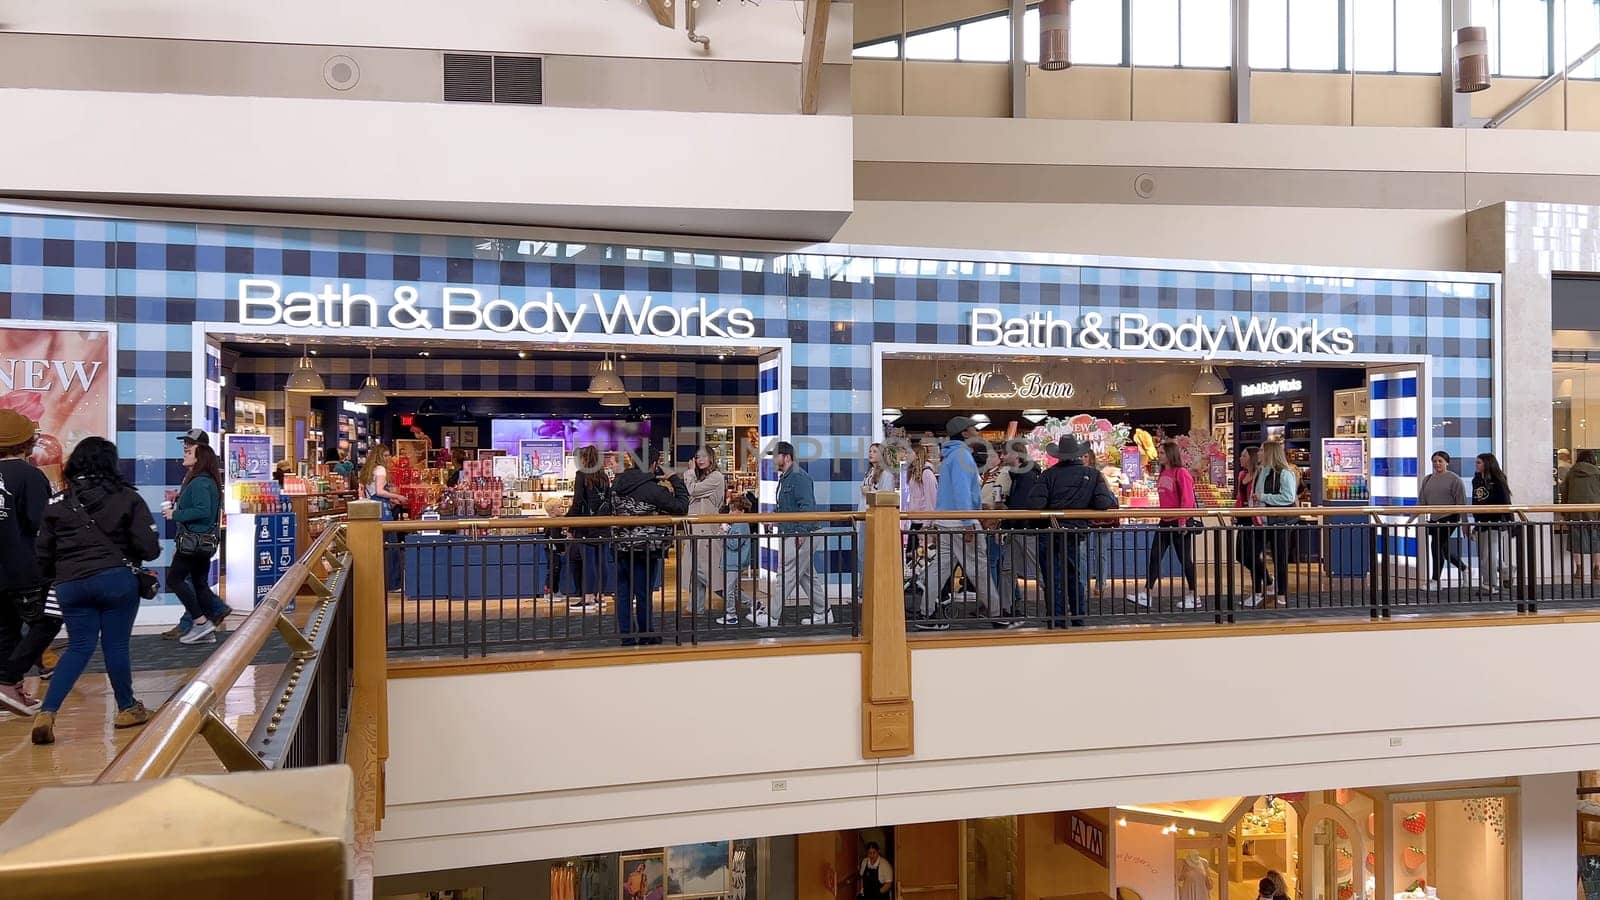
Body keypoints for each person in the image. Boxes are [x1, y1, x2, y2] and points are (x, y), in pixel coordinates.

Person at [31, 437, 161, 745]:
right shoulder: (128, 498)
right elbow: (149, 548)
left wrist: (60, 577)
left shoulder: (57, 504)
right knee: (115, 646)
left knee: (78, 647)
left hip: (70, 585)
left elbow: (43, 555)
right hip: (116, 581)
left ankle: (47, 713)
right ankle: (127, 708)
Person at [915, 417, 1014, 630]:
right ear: (965, 433)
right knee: (979, 568)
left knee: (939, 568)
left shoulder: (950, 456)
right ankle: (997, 614)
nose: (977, 431)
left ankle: (926, 613)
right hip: (961, 522)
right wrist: (970, 521)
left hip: (946, 522)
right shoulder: (963, 457)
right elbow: (962, 491)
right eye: (973, 428)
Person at [0, 410, 59, 716]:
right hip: (25, 569)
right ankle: (9, 681)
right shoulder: (30, 476)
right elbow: (42, 525)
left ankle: (9, 692)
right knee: (47, 621)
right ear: (25, 442)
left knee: (6, 631)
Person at [611, 450, 689, 645]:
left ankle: (627, 636)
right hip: (646, 547)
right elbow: (681, 506)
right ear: (655, 464)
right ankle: (646, 634)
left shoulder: (617, 483)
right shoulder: (653, 490)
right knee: (643, 592)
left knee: (623, 593)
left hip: (621, 545)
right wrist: (674, 479)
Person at [1042, 435, 1119, 627]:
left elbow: (1036, 502)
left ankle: (1056, 619)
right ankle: (1078, 616)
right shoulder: (1092, 475)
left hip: (1052, 530)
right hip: (1076, 530)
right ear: (1078, 454)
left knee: (1054, 577)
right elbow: (1103, 502)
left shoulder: (1048, 475)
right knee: (1075, 575)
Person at [168, 430, 232, 645]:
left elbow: (202, 510)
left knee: (175, 580)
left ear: (201, 451)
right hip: (201, 542)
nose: (185, 447)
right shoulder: (201, 480)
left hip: (193, 542)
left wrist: (175, 514)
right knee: (199, 583)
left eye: (190, 445)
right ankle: (208, 625)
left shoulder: (201, 482)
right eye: (185, 443)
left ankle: (201, 622)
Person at [1130, 440, 1200, 610]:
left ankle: (1194, 594)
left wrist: (1183, 521)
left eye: (1161, 453)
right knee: (1155, 556)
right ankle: (1147, 593)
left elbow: (1187, 499)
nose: (1159, 455)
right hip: (1165, 521)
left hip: (1179, 521)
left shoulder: (1181, 473)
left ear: (1170, 454)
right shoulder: (1163, 473)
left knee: (1185, 559)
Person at [772, 441, 831, 626]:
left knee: (786, 573)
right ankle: (823, 611)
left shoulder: (798, 477)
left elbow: (807, 506)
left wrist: (801, 531)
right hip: (795, 531)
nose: (774, 459)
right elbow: (790, 506)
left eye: (776, 455)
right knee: (806, 576)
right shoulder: (787, 477)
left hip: (801, 533)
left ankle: (771, 615)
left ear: (786, 457)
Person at [997, 440, 1045, 614]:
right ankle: (1005, 607)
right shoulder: (1025, 475)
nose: (1002, 457)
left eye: (1005, 453)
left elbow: (1020, 504)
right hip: (1020, 528)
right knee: (1010, 568)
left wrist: (1005, 511)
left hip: (1022, 528)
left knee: (1021, 567)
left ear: (1016, 456)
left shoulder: (1024, 477)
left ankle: (1006, 607)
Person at [564, 445, 612, 611]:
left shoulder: (581, 475)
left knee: (589, 562)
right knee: (602, 561)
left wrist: (569, 524)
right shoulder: (604, 477)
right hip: (603, 525)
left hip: (586, 526)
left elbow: (577, 503)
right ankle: (601, 596)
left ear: (584, 459)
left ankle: (589, 597)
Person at [683, 446, 728, 615]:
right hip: (697, 531)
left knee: (709, 574)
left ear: (711, 458)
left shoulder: (716, 477)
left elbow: (693, 490)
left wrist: (689, 473)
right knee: (696, 570)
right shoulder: (701, 478)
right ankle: (695, 608)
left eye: (703, 456)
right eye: (697, 457)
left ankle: (747, 601)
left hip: (707, 531)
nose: (699, 460)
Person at [1254, 440, 1298, 607]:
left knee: (1280, 558)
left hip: (1279, 521)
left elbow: (1288, 497)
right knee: (1251, 553)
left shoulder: (1285, 474)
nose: (1258, 453)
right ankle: (1269, 584)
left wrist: (1264, 497)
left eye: (1261, 450)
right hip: (1263, 520)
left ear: (1269, 452)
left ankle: (1282, 593)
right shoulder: (1262, 471)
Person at [1418, 449, 1470, 589]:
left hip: (1449, 517)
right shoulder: (1427, 479)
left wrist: (1465, 523)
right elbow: (1421, 502)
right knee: (1444, 549)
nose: (1437, 463)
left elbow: (1461, 502)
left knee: (1435, 546)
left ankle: (1435, 581)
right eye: (1435, 461)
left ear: (1447, 462)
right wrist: (1411, 519)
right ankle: (1464, 569)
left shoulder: (1454, 479)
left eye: (1440, 461)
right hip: (1434, 519)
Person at [1471, 451, 1514, 594]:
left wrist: (1510, 522)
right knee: (1487, 553)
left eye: (1479, 462)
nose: (1476, 465)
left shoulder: (1498, 479)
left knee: (1487, 555)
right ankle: (1506, 570)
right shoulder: (1476, 480)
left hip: (1495, 521)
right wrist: (1475, 523)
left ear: (1487, 464)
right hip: (1482, 521)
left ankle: (1489, 584)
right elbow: (1475, 502)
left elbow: (1506, 502)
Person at [1233, 446, 1269, 605]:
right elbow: (1240, 497)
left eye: (1244, 456)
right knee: (1240, 555)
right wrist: (1234, 512)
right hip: (1243, 517)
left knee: (1252, 555)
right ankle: (1268, 580)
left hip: (1256, 519)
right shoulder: (1242, 475)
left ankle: (1257, 592)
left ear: (1251, 458)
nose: (1241, 458)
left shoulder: (1260, 475)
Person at [1562, 449, 1600, 583]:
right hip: (1595, 510)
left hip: (1575, 510)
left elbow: (1564, 492)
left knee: (1576, 538)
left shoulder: (1571, 473)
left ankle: (1578, 568)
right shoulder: (1597, 472)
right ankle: (1597, 568)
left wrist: (1565, 511)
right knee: (1596, 538)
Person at [718, 493, 757, 625]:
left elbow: (734, 545)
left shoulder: (740, 525)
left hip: (734, 562)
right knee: (732, 589)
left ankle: (731, 615)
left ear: (741, 510)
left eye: (732, 509)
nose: (730, 512)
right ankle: (754, 604)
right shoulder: (739, 524)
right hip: (733, 561)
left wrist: (725, 532)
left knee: (728, 590)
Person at [361, 445, 407, 519]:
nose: (388, 458)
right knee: (387, 528)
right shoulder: (380, 469)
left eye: (389, 455)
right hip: (381, 508)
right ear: (379, 456)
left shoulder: (371, 469)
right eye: (385, 455)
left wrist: (392, 499)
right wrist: (398, 496)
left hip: (372, 507)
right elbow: (379, 492)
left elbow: (372, 491)